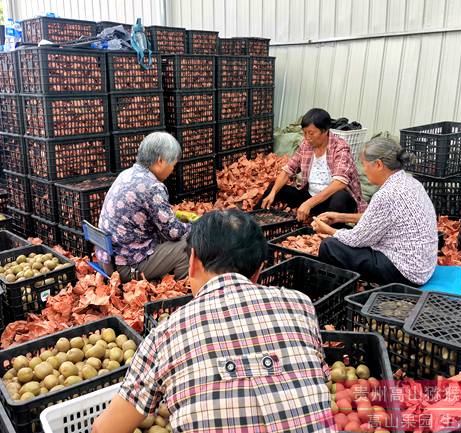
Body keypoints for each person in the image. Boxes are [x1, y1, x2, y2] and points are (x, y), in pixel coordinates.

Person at [92, 210, 334, 433]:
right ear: (260, 269)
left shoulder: (166, 334)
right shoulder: (301, 305)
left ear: (193, 261)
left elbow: (104, 430)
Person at [311, 137, 437, 286]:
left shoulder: (386, 194)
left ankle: (336, 291)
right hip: (424, 265)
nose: (363, 170)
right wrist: (340, 217)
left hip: (406, 273)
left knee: (329, 247)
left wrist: (328, 230)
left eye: (364, 165)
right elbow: (378, 217)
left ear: (378, 164)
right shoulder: (411, 182)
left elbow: (356, 239)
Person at [97, 132, 191, 282]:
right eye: (173, 165)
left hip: (108, 259)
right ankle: (181, 291)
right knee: (188, 246)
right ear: (160, 161)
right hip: (126, 266)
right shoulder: (152, 186)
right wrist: (196, 226)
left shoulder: (127, 174)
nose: (172, 170)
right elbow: (174, 233)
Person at [256, 108, 366, 223]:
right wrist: (273, 193)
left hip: (333, 202)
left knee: (340, 197)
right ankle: (253, 221)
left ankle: (329, 231)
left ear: (325, 131)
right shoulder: (306, 144)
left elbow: (339, 183)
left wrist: (309, 204)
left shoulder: (340, 147)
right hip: (311, 196)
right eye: (305, 133)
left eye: (311, 133)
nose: (307, 137)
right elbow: (288, 170)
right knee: (274, 187)